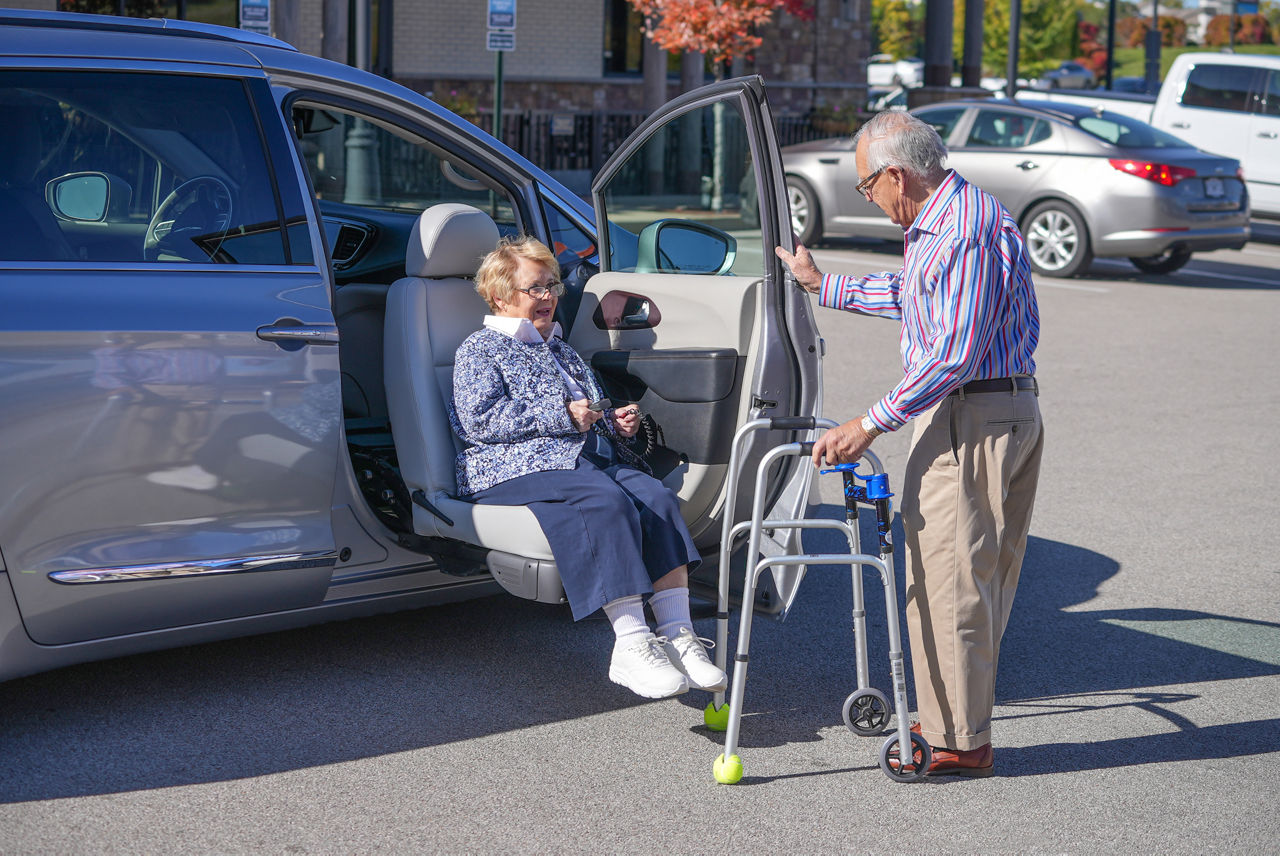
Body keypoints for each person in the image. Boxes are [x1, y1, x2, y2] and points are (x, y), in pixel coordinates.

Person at [776, 111, 1044, 777]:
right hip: (981, 410)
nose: (868, 196)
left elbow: (951, 352)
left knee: (951, 583)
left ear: (898, 174)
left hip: (972, 414)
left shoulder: (960, 229)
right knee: (963, 579)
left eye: (868, 185)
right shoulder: (946, 221)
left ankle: (957, 740)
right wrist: (823, 285)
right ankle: (953, 717)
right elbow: (922, 298)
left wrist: (868, 422)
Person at [450, 235, 727, 700]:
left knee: (655, 495)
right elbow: (478, 421)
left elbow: (588, 408)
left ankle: (679, 634)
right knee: (603, 499)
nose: (549, 298)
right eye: (534, 289)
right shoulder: (479, 350)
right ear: (500, 297)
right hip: (507, 468)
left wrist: (617, 420)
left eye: (552, 286)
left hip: (578, 459)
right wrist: (563, 415)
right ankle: (631, 644)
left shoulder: (562, 349)